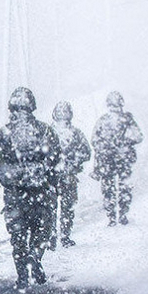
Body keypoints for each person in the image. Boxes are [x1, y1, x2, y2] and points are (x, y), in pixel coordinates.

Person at [0, 87, 61, 290]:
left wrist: (8, 177)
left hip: (15, 193)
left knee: (18, 235)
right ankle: (35, 256)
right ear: (32, 106)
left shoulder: (3, 133)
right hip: (41, 190)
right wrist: (46, 176)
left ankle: (22, 275)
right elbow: (55, 156)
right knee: (42, 230)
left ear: (11, 107)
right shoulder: (45, 130)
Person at [92, 91, 143, 226]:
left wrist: (111, 145)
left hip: (113, 159)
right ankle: (118, 214)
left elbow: (95, 140)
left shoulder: (106, 120)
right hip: (119, 158)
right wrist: (123, 143)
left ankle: (115, 216)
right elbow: (138, 136)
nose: (114, 108)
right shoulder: (125, 119)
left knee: (113, 188)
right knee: (120, 188)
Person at [50, 101, 91, 247]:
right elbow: (86, 152)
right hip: (67, 175)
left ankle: (52, 237)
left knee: (51, 208)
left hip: (52, 176)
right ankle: (64, 236)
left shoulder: (47, 132)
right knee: (66, 207)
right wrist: (74, 162)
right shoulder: (76, 133)